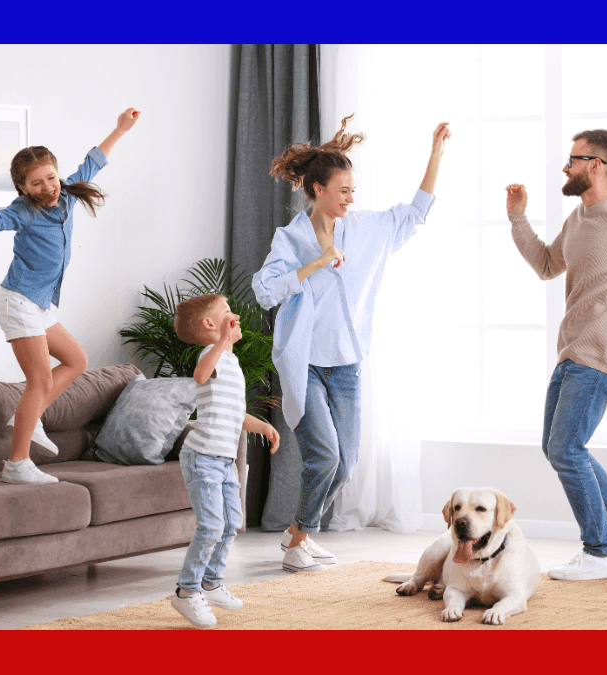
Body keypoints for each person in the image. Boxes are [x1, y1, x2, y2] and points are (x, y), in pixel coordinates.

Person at [253, 114, 451, 573]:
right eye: (343, 190)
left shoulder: (366, 229)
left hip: (346, 365)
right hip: (303, 363)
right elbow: (265, 289)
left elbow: (416, 212)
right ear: (317, 189)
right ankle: (299, 541)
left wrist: (435, 155)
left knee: (345, 463)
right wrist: (316, 264)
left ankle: (297, 532)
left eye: (352, 190)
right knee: (323, 456)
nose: (350, 197)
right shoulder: (292, 238)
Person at [506, 129, 607, 581]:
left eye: (573, 159)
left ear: (597, 164)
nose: (566, 166)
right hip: (571, 352)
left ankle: (600, 550)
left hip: (600, 355)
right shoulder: (579, 218)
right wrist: (519, 219)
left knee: (566, 448)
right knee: (557, 448)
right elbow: (546, 266)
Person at [0, 108, 140, 485]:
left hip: (39, 305)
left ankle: (27, 416)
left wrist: (119, 129)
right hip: (18, 302)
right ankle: (16, 463)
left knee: (76, 361)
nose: (47, 187)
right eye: (36, 184)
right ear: (23, 189)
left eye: (50, 178)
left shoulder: (67, 198)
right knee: (40, 380)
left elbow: (94, 161)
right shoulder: (24, 212)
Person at [170, 293, 280, 628]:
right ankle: (186, 592)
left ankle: (211, 582)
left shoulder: (230, 363)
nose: (236, 316)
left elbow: (234, 412)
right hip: (202, 458)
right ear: (210, 325)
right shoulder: (211, 354)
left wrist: (261, 425)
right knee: (212, 526)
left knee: (232, 523)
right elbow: (200, 376)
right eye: (227, 312)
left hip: (224, 461)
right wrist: (219, 342)